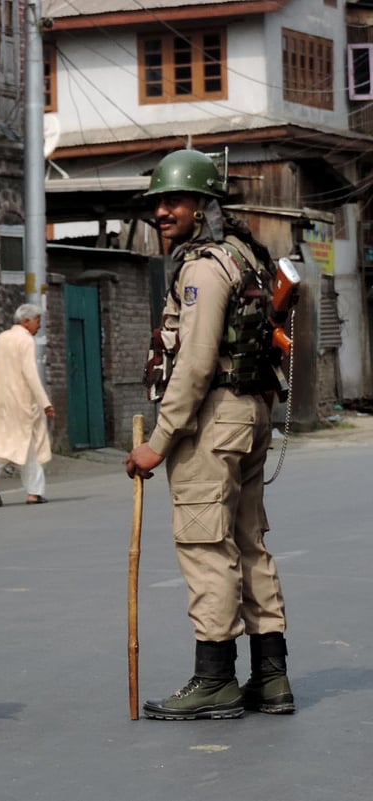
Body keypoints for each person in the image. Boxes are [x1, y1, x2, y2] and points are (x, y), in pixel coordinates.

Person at [125, 148, 294, 721]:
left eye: (175, 201)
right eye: (158, 202)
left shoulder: (201, 267)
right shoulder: (243, 256)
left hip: (213, 424)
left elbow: (195, 365)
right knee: (249, 543)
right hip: (247, 419)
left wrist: (159, 441)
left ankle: (215, 678)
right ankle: (272, 679)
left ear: (202, 206)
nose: (163, 211)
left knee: (205, 547)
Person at [0, 304, 55, 506]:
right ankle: (34, 492)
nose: (39, 325)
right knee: (29, 442)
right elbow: (30, 374)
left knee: (5, 439)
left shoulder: (2, 338)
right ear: (26, 321)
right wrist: (45, 403)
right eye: (37, 321)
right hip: (21, 401)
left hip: (0, 401)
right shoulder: (25, 340)